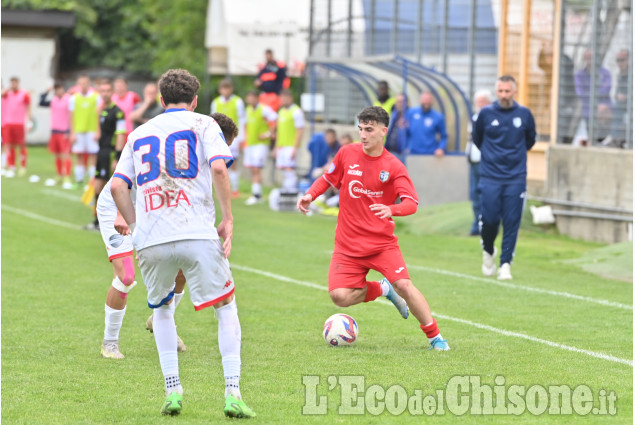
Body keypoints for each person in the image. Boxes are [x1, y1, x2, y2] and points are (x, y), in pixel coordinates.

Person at [111, 69, 255, 418]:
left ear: (160, 101)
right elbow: (219, 170)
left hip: (151, 239)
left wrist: (134, 224)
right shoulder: (205, 124)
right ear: (194, 100)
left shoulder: (139, 132)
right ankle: (232, 392)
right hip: (196, 232)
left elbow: (118, 186)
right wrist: (228, 219)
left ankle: (173, 390)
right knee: (226, 307)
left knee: (161, 310)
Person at [297, 106, 450, 351]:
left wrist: (392, 209)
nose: (363, 135)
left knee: (405, 285)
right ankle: (382, 288)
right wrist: (310, 195)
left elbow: (411, 203)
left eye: (369, 129)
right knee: (339, 296)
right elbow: (328, 178)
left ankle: (436, 338)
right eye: (360, 129)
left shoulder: (393, 165)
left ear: (383, 131)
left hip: (380, 244)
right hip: (347, 245)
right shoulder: (347, 153)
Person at [473, 75, 536, 281]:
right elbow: (478, 139)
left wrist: (513, 159)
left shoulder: (524, 114)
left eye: (507, 91)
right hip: (490, 176)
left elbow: (530, 141)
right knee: (490, 220)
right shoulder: (486, 114)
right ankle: (489, 249)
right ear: (496, 92)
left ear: (514, 92)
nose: (504, 95)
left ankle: (505, 264)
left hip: (515, 177)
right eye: (500, 91)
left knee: (512, 221)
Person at [84, 80, 127, 230]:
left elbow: (121, 135)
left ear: (112, 92)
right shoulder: (100, 110)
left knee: (111, 188)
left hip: (110, 152)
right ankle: (97, 221)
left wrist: (117, 157)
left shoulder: (118, 112)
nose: (105, 93)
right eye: (102, 91)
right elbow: (98, 133)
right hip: (101, 152)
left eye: (108, 90)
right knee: (97, 186)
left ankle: (112, 222)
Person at [211, 78, 246, 198]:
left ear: (231, 89)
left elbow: (242, 120)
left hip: (233, 137)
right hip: (219, 138)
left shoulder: (237, 101)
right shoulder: (216, 102)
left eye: (228, 88)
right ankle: (221, 189)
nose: (225, 91)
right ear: (220, 90)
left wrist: (241, 138)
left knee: (233, 163)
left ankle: (235, 189)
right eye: (223, 88)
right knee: (218, 164)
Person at [466, 89, 493, 236]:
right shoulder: (474, 118)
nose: (480, 105)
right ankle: (477, 224)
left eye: (483, 102)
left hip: (486, 162)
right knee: (474, 195)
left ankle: (485, 226)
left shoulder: (492, 118)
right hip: (474, 160)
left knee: (485, 195)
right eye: (478, 102)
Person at [243, 91, 277, 205]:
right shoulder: (248, 109)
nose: (250, 100)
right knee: (252, 168)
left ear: (257, 98)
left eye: (252, 97)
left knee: (256, 168)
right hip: (251, 143)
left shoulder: (264, 109)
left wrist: (268, 134)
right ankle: (257, 193)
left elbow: (275, 119)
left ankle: (256, 195)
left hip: (260, 144)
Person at [574, 49, 612, 145]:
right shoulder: (579, 75)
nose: (589, 60)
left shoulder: (605, 73)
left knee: (603, 139)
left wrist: (589, 93)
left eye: (591, 58)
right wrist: (595, 94)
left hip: (604, 113)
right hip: (588, 112)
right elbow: (580, 93)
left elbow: (606, 89)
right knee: (589, 139)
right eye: (587, 58)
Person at [39, 83, 73, 189]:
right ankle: (59, 175)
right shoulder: (53, 100)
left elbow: (72, 115)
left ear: (64, 89)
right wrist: (46, 91)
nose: (59, 91)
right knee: (57, 154)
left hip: (64, 131)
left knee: (66, 154)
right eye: (57, 89)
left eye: (60, 89)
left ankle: (67, 176)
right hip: (54, 131)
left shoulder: (69, 100)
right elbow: (41, 102)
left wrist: (70, 130)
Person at [69, 74, 101, 185]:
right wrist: (72, 132)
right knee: (79, 155)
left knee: (93, 155)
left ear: (89, 83)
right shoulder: (74, 98)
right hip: (79, 130)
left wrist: (98, 130)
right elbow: (71, 116)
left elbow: (98, 115)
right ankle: (79, 179)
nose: (83, 85)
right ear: (78, 84)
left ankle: (92, 180)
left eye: (85, 83)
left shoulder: (96, 97)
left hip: (91, 130)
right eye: (81, 83)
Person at [1, 77, 32, 177]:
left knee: (21, 145)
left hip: (19, 123)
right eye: (12, 83)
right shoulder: (7, 94)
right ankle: (11, 166)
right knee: (9, 145)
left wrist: (29, 122)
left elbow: (29, 108)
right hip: (8, 123)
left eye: (15, 83)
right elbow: (1, 94)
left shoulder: (24, 94)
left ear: (18, 83)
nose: (13, 85)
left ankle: (23, 166)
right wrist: (9, 88)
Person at [275, 89, 304, 190]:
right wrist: (276, 147)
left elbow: (300, 130)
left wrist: (295, 148)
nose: (284, 100)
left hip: (291, 146)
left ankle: (291, 191)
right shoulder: (281, 111)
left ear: (291, 98)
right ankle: (288, 189)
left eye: (286, 98)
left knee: (290, 168)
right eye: (282, 98)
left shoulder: (296, 111)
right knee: (283, 168)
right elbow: (279, 131)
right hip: (281, 146)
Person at [405, 92, 447, 157]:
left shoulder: (438, 117)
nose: (426, 102)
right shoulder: (411, 113)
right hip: (412, 153)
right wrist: (406, 147)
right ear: (420, 100)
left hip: (430, 154)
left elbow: (444, 136)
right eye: (425, 99)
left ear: (432, 101)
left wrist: (441, 148)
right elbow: (405, 132)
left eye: (429, 100)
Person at [610, 49, 630, 147]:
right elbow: (616, 93)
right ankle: (615, 139)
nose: (620, 63)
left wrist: (626, 97)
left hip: (631, 104)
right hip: (622, 105)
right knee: (614, 108)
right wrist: (617, 96)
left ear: (628, 60)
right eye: (618, 60)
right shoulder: (619, 75)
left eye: (622, 60)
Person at [385, 93, 409, 164]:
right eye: (398, 102)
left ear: (407, 103)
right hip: (390, 152)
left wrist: (409, 148)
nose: (400, 104)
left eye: (402, 101)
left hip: (403, 154)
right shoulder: (393, 115)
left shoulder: (411, 116)